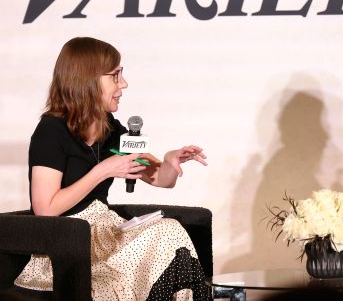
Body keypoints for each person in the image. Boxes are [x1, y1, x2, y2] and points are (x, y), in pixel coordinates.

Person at [14, 37, 212, 300]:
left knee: (170, 230)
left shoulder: (110, 127)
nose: (124, 84)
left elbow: (158, 178)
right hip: (67, 246)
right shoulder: (51, 131)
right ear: (87, 80)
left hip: (106, 237)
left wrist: (170, 162)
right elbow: (46, 209)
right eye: (115, 76)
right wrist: (103, 171)